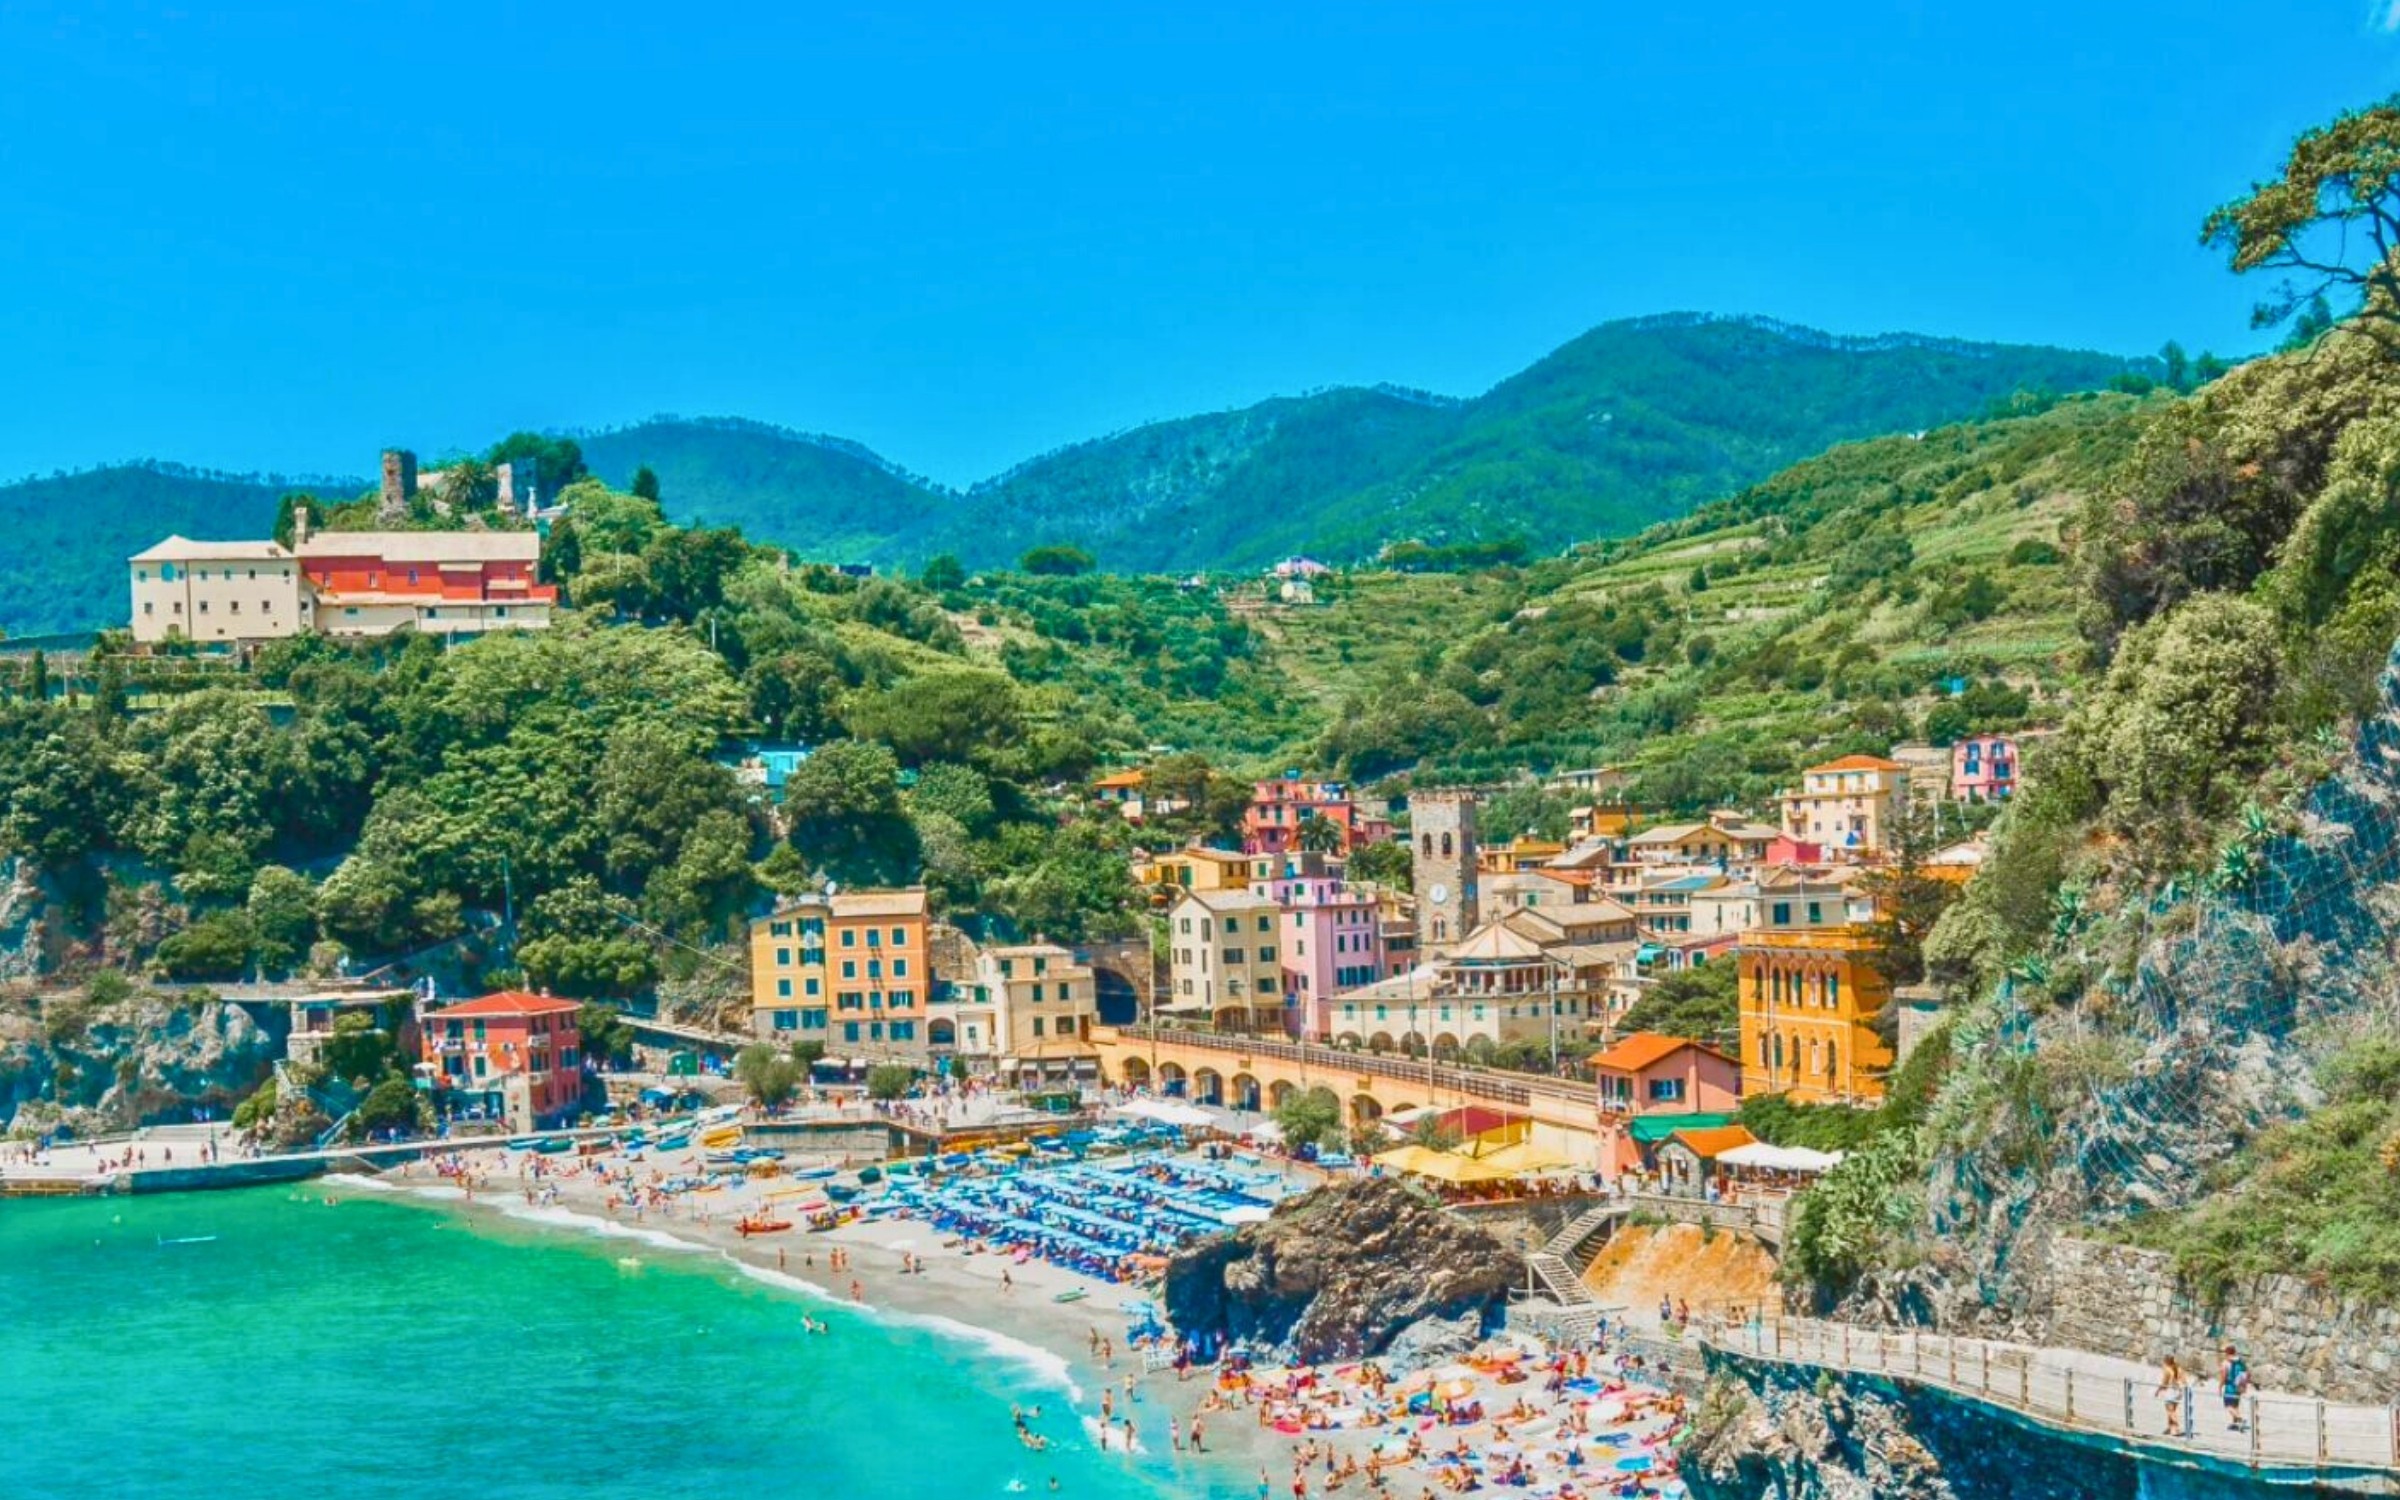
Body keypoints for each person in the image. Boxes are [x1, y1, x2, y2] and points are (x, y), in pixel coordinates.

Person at [2219, 1344, 2250, 1432]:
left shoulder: (2225, 1363)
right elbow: (2246, 1373)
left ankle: (2240, 1418)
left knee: (2228, 1406)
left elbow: (2223, 1376)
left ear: (2226, 1353)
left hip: (2230, 1386)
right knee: (2235, 1405)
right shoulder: (2240, 1361)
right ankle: (2235, 1424)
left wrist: (2220, 1387)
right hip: (2239, 1386)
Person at [2157, 1355, 2186, 1436]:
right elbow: (2184, 1381)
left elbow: (2164, 1383)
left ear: (2166, 1361)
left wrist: (2158, 1391)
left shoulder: (2168, 1370)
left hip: (2170, 1392)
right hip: (2178, 1392)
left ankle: (2176, 1428)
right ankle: (2170, 1427)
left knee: (2170, 1411)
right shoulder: (2179, 1368)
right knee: (2173, 1410)